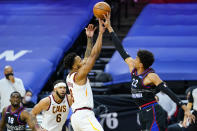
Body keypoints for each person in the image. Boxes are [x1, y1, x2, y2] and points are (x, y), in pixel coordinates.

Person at [102, 13, 195, 131]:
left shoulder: (151, 76)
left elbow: (169, 92)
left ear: (141, 64)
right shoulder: (133, 68)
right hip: (142, 111)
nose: (134, 59)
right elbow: (121, 50)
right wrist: (110, 28)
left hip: (154, 111)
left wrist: (185, 108)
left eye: (137, 59)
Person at [64, 21, 105, 131]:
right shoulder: (79, 76)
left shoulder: (69, 76)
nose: (83, 60)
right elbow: (93, 55)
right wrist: (100, 33)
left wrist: (89, 38)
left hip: (77, 116)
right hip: (84, 116)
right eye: (79, 60)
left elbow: (87, 55)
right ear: (74, 65)